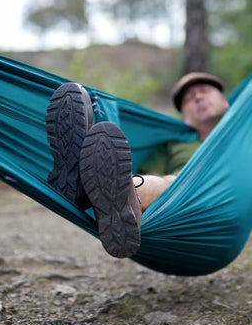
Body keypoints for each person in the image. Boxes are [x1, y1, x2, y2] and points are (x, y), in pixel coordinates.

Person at [45, 73, 229, 259]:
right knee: (170, 183)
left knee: (175, 181)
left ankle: (87, 189)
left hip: (222, 194)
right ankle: (119, 195)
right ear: (184, 116)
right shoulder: (172, 144)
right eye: (189, 98)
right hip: (181, 196)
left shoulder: (241, 139)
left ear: (225, 102)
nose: (198, 97)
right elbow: (152, 175)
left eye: (205, 91)